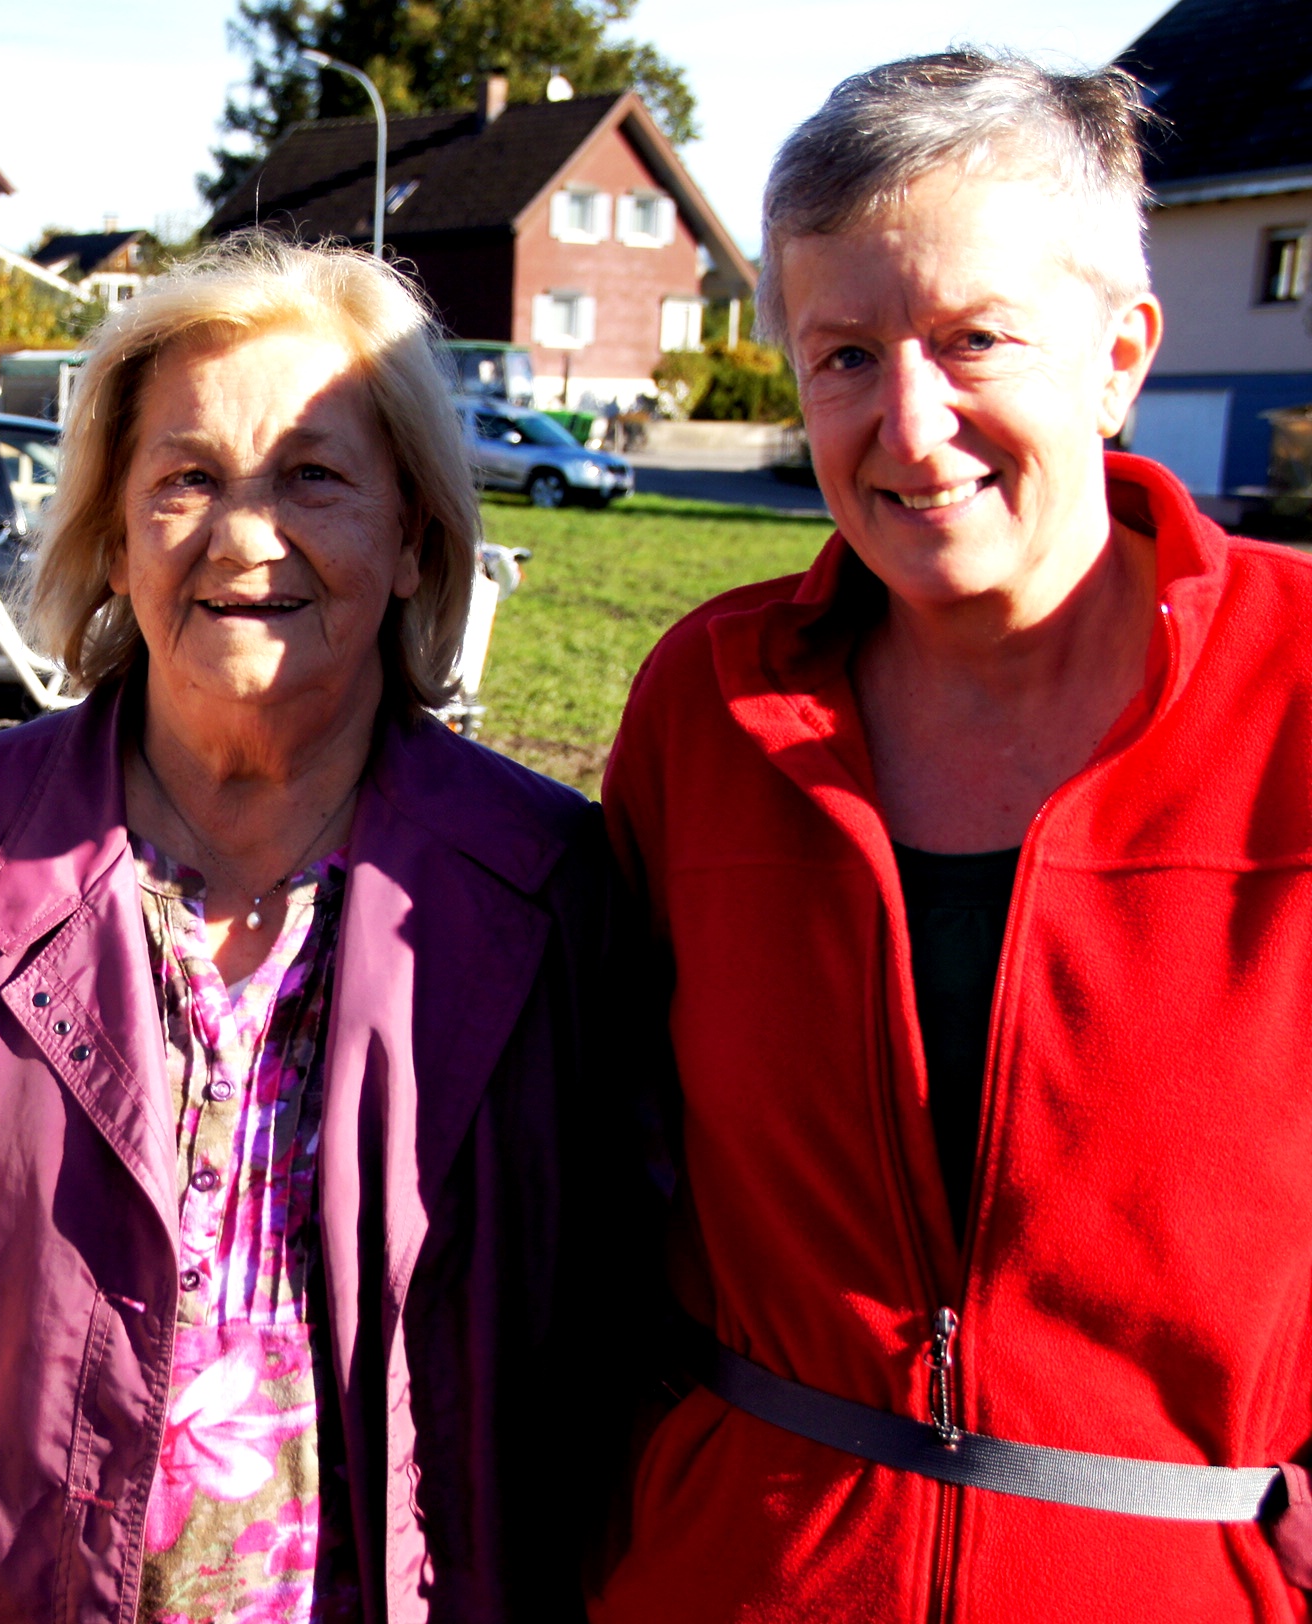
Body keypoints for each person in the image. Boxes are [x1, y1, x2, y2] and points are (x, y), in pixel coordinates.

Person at [0, 239, 647, 1624]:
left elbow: (622, 1324)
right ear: (115, 542)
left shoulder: (550, 886)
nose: (243, 536)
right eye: (186, 480)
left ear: (415, 537)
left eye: (313, 475)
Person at [595, 54, 1312, 1622]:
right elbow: (591, 1163)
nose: (910, 429)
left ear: (1120, 355)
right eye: (845, 355)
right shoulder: (709, 705)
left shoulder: (1299, 688)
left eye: (975, 339)